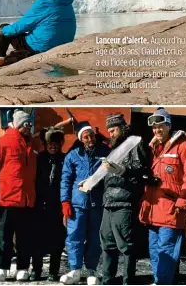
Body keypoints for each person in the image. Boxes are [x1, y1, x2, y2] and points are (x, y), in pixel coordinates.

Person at [138, 108, 186, 285]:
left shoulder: (183, 145)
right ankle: (159, 281)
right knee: (155, 251)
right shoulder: (154, 148)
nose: (157, 131)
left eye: (160, 126)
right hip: (153, 209)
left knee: (167, 250)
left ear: (169, 125)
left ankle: (163, 282)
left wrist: (182, 202)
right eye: (154, 128)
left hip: (171, 209)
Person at [60, 122, 111, 285]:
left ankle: (91, 270)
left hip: (97, 203)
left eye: (91, 135)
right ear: (81, 139)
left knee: (95, 238)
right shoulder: (73, 155)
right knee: (74, 236)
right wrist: (65, 202)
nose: (89, 139)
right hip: (77, 203)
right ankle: (75, 269)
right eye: (86, 136)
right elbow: (66, 180)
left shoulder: (105, 152)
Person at [100, 113, 148, 285]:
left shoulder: (134, 144)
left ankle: (128, 281)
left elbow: (140, 168)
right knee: (107, 245)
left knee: (126, 246)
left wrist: (122, 170)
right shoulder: (112, 149)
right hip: (108, 203)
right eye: (109, 131)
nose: (111, 134)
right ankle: (108, 281)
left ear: (122, 128)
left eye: (113, 130)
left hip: (125, 202)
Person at [0, 110, 37, 282]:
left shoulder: (32, 145)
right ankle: (2, 267)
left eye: (30, 124)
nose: (29, 127)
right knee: (4, 237)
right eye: (27, 124)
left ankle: (23, 268)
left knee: (25, 238)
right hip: (7, 199)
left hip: (27, 200)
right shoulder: (4, 142)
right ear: (19, 124)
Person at [31, 127, 66, 282]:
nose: (53, 146)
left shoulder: (65, 159)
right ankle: (36, 270)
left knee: (57, 241)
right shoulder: (39, 159)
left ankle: (53, 271)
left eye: (56, 143)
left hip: (57, 207)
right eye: (50, 143)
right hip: (39, 205)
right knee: (37, 239)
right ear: (45, 144)